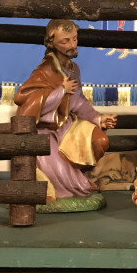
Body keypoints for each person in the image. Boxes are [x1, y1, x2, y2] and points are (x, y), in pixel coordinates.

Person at [14, 19, 116, 200]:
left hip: (66, 124)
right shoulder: (45, 70)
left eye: (74, 39)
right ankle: (70, 187)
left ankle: (80, 176)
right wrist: (61, 91)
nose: (72, 45)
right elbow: (25, 100)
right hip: (46, 129)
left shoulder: (73, 68)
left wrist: (99, 118)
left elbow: (78, 101)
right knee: (62, 172)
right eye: (65, 41)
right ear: (51, 42)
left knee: (99, 140)